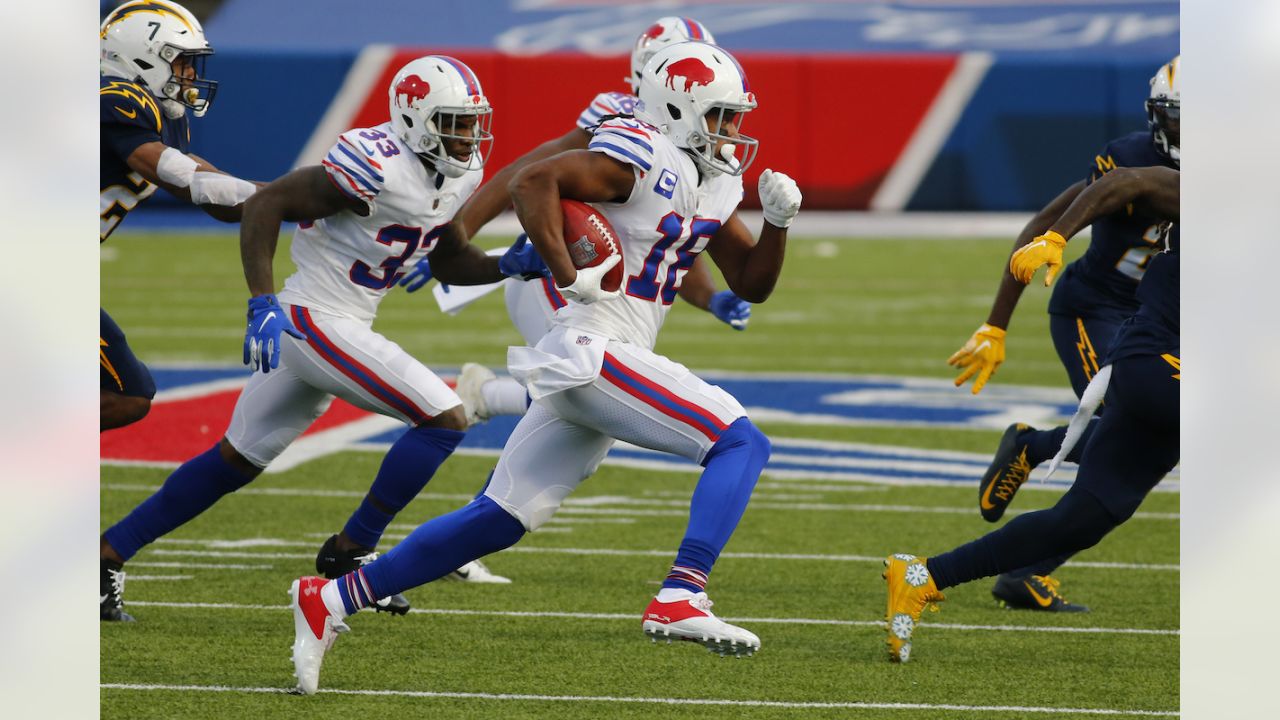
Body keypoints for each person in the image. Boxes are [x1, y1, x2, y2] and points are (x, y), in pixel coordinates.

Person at [287, 41, 803, 695]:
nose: (733, 131)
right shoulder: (641, 155)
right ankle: (682, 593)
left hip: (606, 357)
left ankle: (330, 599)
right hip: (594, 348)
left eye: (736, 116)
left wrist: (779, 223)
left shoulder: (717, 175)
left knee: (501, 517)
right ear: (678, 108)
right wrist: (567, 272)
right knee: (739, 440)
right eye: (722, 115)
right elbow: (535, 180)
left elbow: (751, 283)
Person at [100, 56, 545, 623]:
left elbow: (452, 256)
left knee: (235, 460)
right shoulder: (375, 163)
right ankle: (352, 552)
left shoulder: (461, 171)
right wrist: (261, 300)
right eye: (453, 123)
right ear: (413, 119)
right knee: (444, 417)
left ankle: (107, 554)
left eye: (471, 122)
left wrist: (510, 264)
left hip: (343, 321)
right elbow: (267, 203)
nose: (467, 137)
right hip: (312, 316)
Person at [883, 164, 1179, 663]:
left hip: (1171, 360)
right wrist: (1057, 238)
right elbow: (1124, 182)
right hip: (1160, 358)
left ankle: (923, 575)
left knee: (1084, 518)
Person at [395, 17, 753, 426]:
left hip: (600, 286)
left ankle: (486, 402)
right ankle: (484, 398)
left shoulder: (701, 145)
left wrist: (709, 296)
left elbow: (674, 235)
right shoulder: (628, 124)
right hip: (559, 271)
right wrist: (455, 239)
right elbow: (526, 173)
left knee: (591, 407)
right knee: (588, 398)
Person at [944, 56, 1180, 612]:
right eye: (1179, 120)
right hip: (1098, 308)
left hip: (1167, 321)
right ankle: (1031, 465)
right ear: (1156, 117)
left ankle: (1030, 498)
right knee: (1127, 428)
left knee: (1139, 448)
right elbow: (1043, 226)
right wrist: (995, 324)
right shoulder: (1130, 160)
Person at [100, 0, 260, 433]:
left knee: (130, 395)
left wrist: (285, 203)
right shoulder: (118, 98)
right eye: (183, 62)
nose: (190, 74)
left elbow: (216, 200)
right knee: (127, 394)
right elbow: (187, 177)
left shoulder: (165, 116)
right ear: (142, 55)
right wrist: (285, 198)